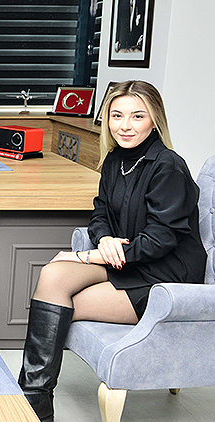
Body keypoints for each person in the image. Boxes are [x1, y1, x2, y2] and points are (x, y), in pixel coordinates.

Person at [17, 80, 206, 422]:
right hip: (127, 259)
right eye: (117, 115)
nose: (125, 125)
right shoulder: (115, 160)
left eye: (137, 116)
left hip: (166, 276)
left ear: (155, 120)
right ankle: (34, 400)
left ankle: (32, 403)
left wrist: (86, 255)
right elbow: (100, 212)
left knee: (66, 304)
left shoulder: (168, 166)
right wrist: (103, 239)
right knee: (53, 275)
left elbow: (160, 240)